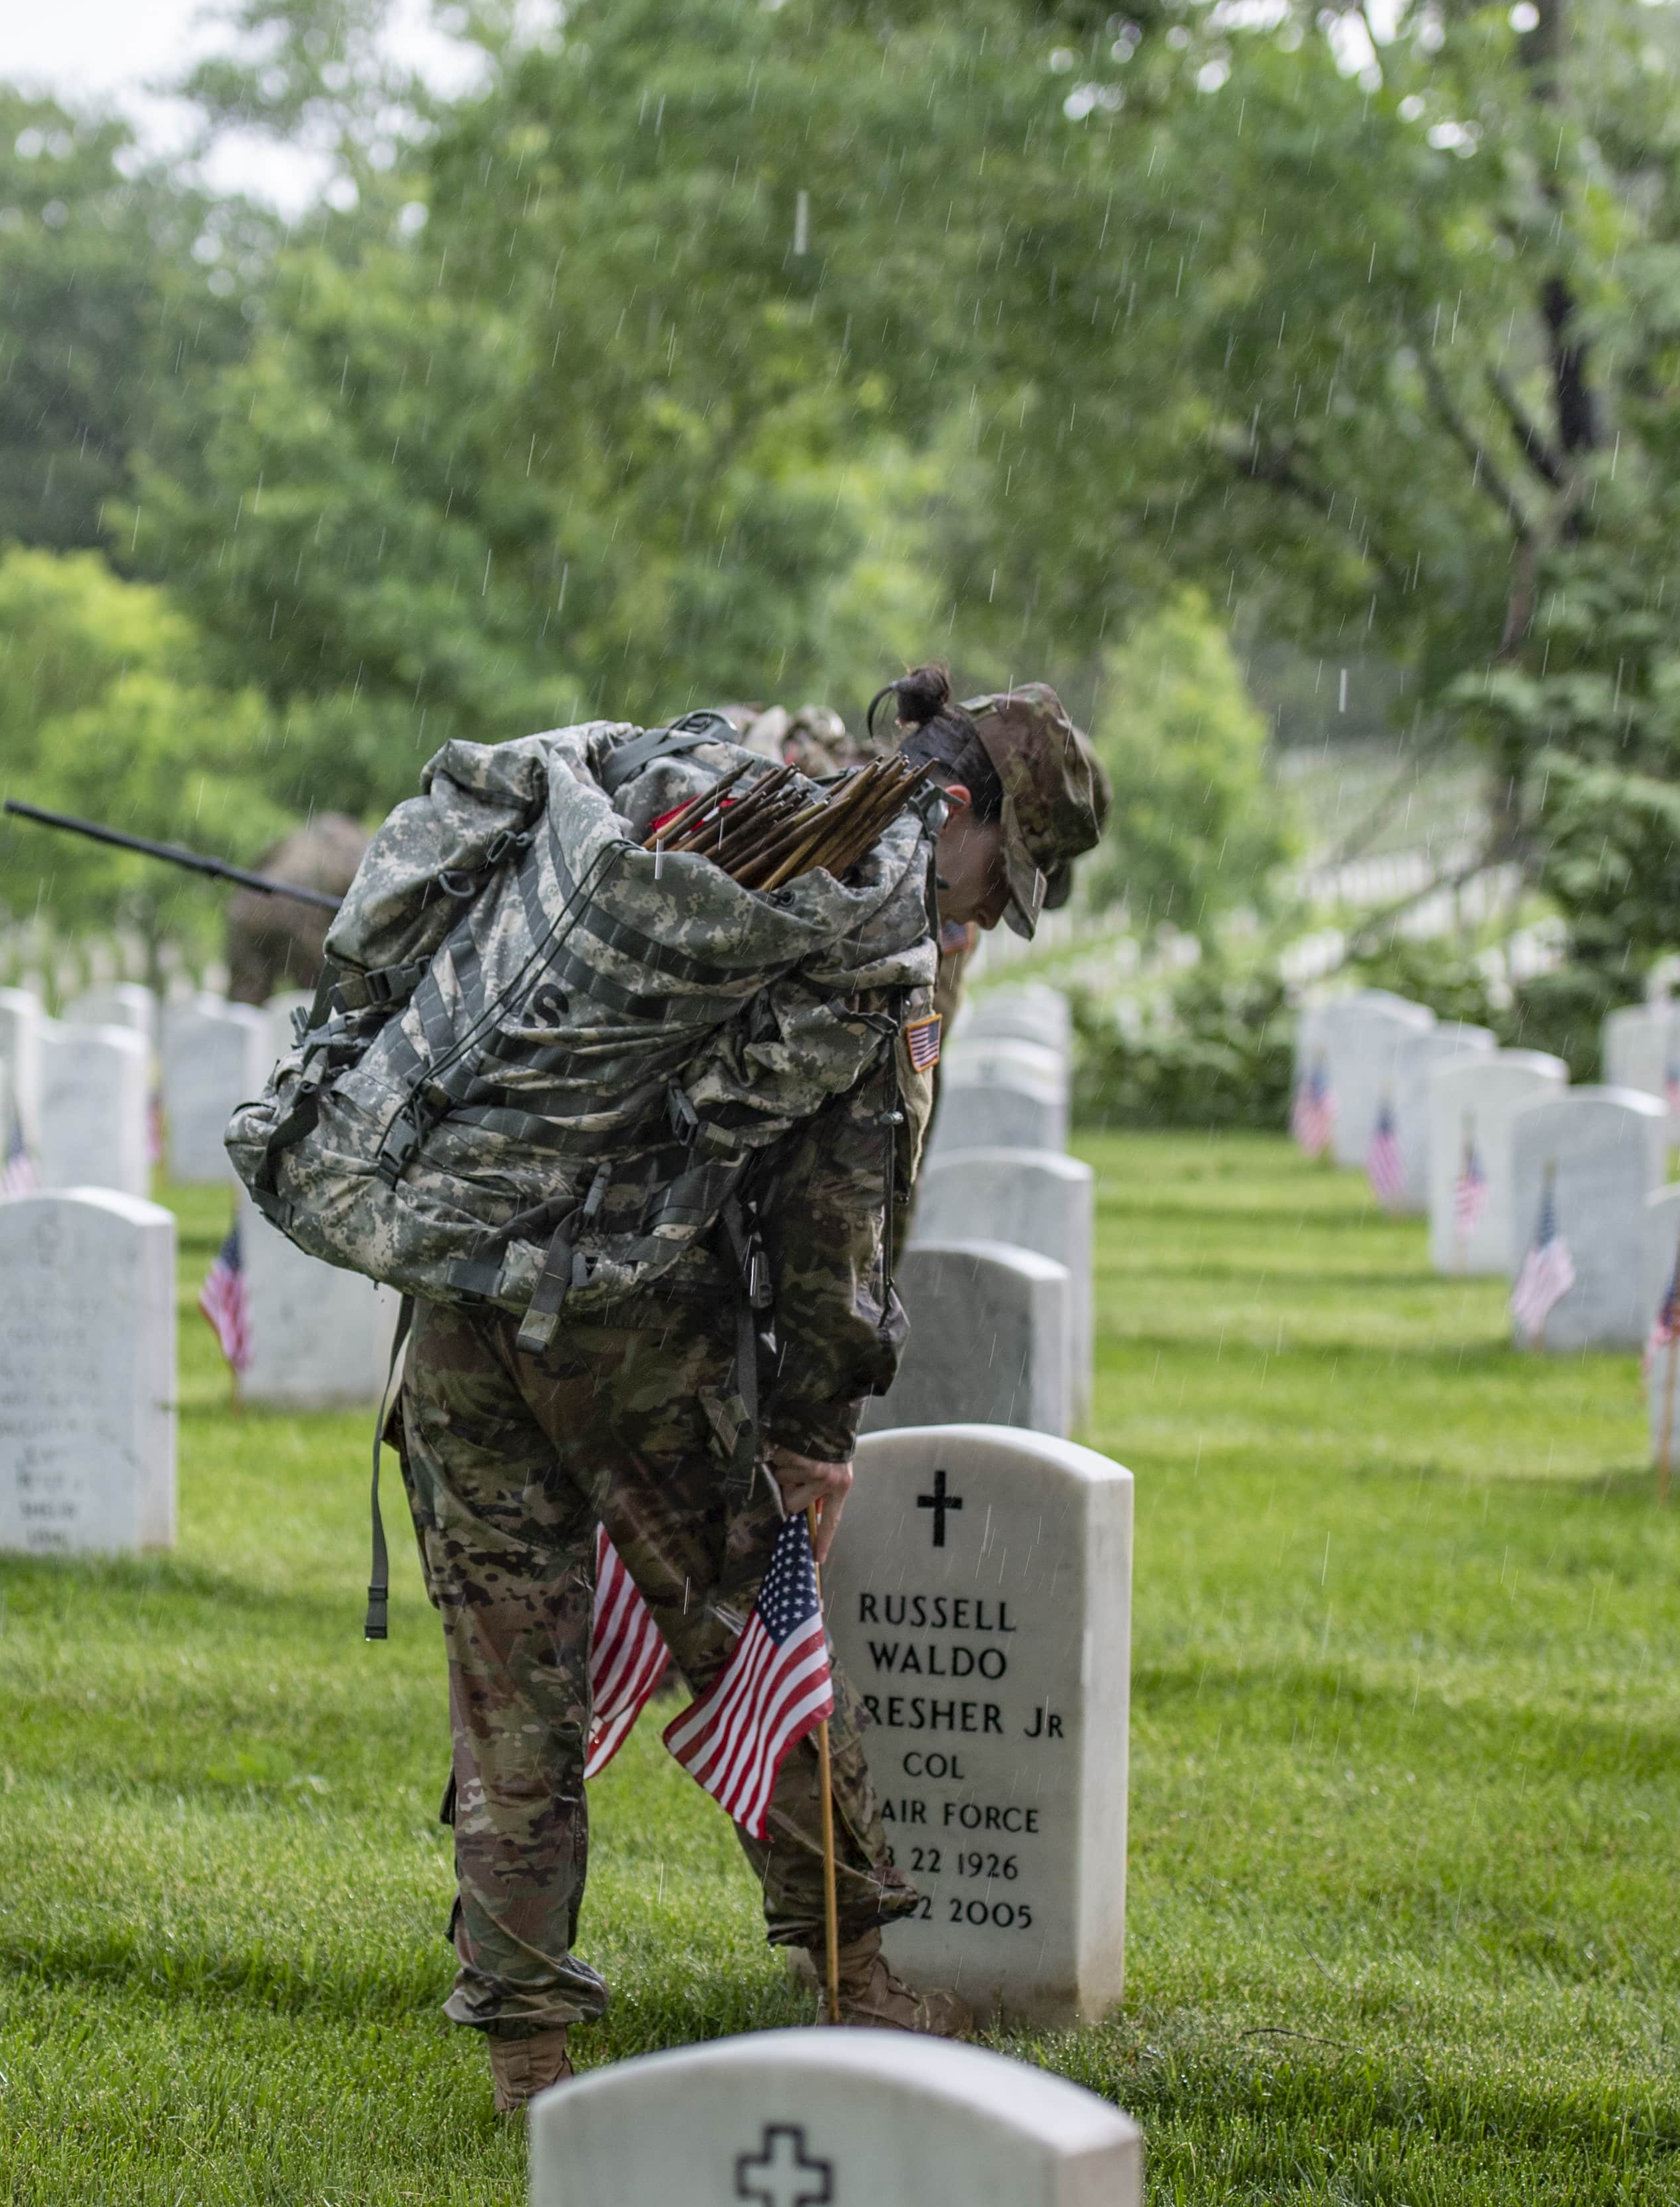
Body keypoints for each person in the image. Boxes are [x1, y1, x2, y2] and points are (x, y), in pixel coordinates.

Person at [393, 665, 1106, 2116]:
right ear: (953, 805)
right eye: (995, 873)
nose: (974, 910)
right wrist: (816, 1429)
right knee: (748, 1621)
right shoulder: (861, 918)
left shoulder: (697, 815)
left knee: (511, 1670)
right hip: (628, 1322)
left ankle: (526, 2040)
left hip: (461, 1286)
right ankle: (860, 1973)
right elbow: (846, 1213)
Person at [223, 812, 371, 1003]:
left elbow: (258, 863)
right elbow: (366, 896)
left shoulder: (299, 838)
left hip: (249, 908)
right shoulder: (354, 844)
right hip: (299, 915)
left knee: (245, 1001)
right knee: (324, 1000)